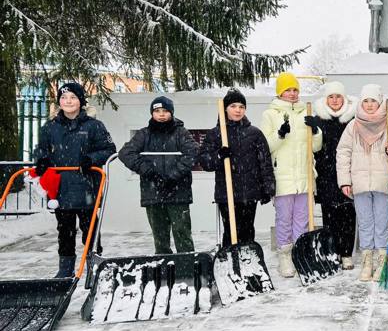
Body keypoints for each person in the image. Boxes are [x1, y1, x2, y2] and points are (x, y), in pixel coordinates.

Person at [33, 82, 116, 277]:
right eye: (64, 98)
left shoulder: (94, 126)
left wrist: (91, 159)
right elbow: (41, 150)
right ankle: (65, 269)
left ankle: (93, 266)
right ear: (59, 102)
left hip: (87, 186)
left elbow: (109, 150)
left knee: (90, 231)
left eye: (72, 98)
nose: (68, 102)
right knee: (65, 232)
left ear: (80, 101)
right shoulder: (50, 127)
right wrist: (42, 161)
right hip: (61, 189)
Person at [260, 72, 323, 277]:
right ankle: (285, 257)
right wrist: (279, 134)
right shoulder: (270, 114)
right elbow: (265, 147)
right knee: (284, 219)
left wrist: (315, 131)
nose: (293, 93)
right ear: (280, 92)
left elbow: (316, 147)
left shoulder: (306, 112)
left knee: (302, 220)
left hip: (304, 177)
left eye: (295, 89)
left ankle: (299, 253)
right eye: (288, 90)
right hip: (283, 177)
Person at [118, 96, 198, 254]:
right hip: (153, 193)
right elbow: (125, 153)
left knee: (182, 233)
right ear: (152, 113)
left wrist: (173, 176)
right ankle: (163, 265)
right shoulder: (144, 134)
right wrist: (149, 173)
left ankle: (187, 264)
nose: (161, 114)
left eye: (165, 111)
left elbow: (192, 153)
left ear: (171, 112)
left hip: (178, 192)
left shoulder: (181, 133)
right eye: (157, 111)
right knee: (160, 236)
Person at [336, 84, 388, 281]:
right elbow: (343, 153)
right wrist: (345, 181)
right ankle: (367, 263)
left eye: (373, 101)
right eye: (366, 101)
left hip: (382, 183)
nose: (370, 105)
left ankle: (381, 262)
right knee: (364, 223)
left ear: (380, 102)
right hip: (360, 183)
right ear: (361, 103)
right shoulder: (352, 126)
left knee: (381, 223)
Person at [198, 89, 275, 249]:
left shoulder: (255, 134)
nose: (238, 110)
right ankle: (230, 262)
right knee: (231, 232)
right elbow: (205, 162)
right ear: (225, 108)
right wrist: (219, 156)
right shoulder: (216, 134)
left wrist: (268, 188)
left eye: (241, 106)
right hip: (226, 193)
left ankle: (248, 262)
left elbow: (265, 162)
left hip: (250, 192)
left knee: (247, 231)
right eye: (233, 106)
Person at [312, 81, 358, 270]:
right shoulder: (319, 119)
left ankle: (346, 253)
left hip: (349, 172)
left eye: (338, 96)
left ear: (344, 98)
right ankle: (332, 253)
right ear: (326, 99)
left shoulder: (353, 118)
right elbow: (315, 149)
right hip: (326, 174)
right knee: (329, 217)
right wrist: (314, 131)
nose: (335, 100)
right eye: (331, 96)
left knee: (348, 214)